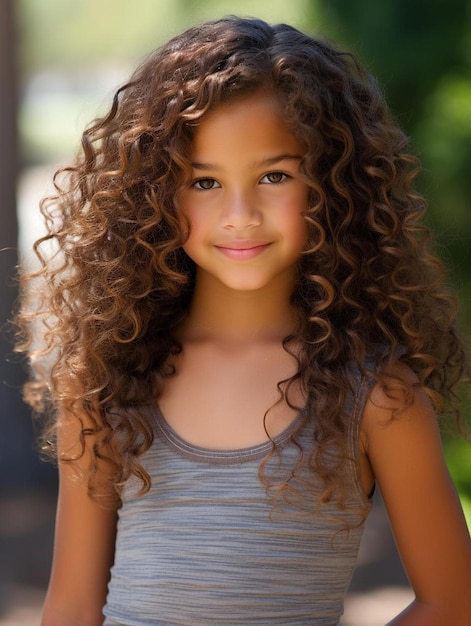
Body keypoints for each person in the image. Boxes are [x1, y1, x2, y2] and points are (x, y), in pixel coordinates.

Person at [16, 16, 471, 626]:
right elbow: (71, 607)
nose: (239, 214)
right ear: (154, 196)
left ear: (333, 186)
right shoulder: (108, 382)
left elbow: (454, 602)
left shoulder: (378, 395)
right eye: (204, 181)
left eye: (274, 176)